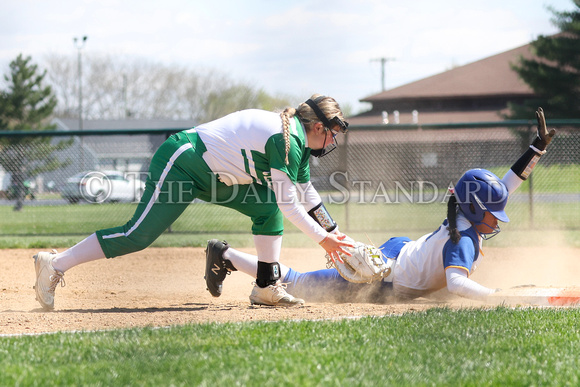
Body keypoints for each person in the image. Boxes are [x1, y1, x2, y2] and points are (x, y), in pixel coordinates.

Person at [33, 94, 354, 311]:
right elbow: (291, 205)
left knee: (266, 205)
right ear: (317, 126)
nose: (332, 140)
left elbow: (306, 194)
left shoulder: (295, 140)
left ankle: (266, 286)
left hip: (217, 177)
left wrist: (337, 235)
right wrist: (324, 241)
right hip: (183, 161)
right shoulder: (285, 139)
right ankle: (55, 263)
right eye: (332, 132)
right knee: (137, 236)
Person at [205, 108, 556, 303]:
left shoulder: (464, 218)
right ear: (477, 210)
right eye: (494, 214)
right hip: (386, 275)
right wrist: (497, 297)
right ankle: (226, 255)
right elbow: (456, 284)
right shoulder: (462, 239)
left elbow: (505, 186)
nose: (498, 220)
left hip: (402, 251)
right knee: (297, 283)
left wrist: (536, 149)